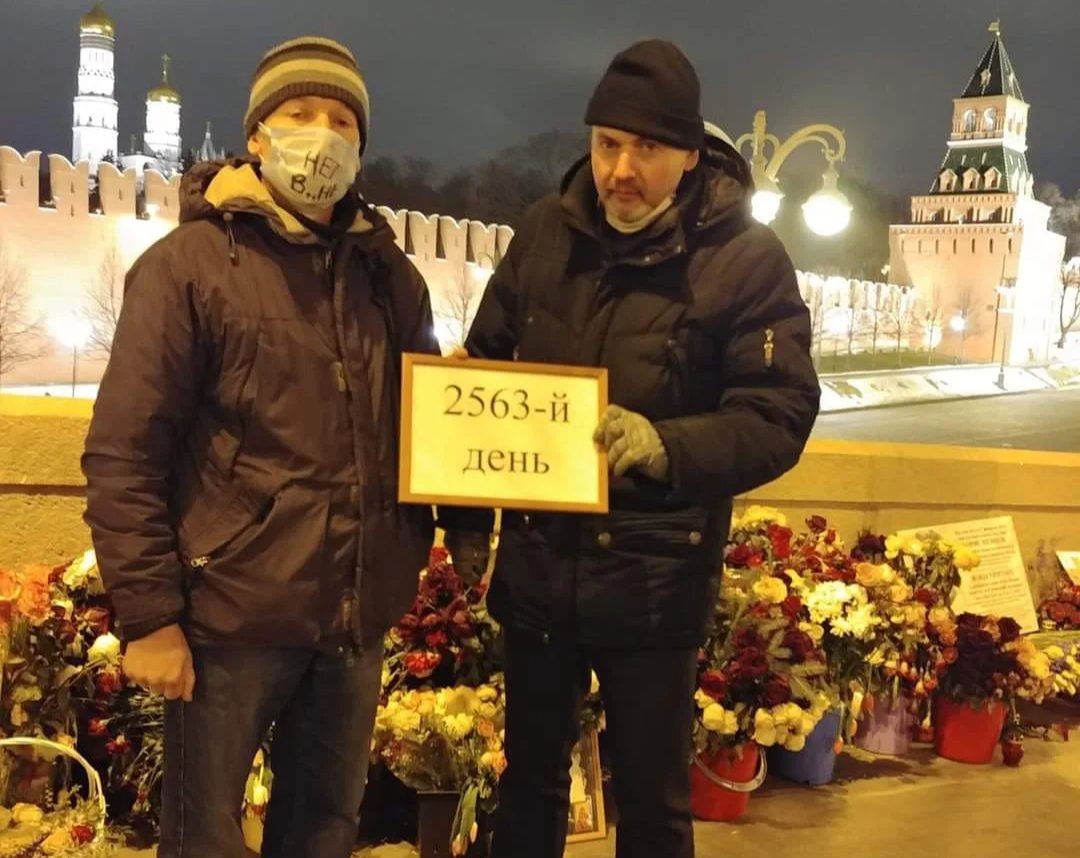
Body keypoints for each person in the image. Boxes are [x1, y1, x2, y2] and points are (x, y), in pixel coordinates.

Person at [441, 39, 820, 858]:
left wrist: (665, 445)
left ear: (689, 154)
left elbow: (779, 412)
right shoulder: (547, 231)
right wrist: (467, 515)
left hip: (655, 578)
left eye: (647, 149)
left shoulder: (744, 261)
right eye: (608, 143)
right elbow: (483, 378)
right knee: (530, 784)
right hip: (541, 572)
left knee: (651, 803)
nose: (622, 168)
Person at [81, 36, 440, 858]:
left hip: (351, 620)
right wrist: (151, 620)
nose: (321, 134)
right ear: (255, 135)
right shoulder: (188, 269)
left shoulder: (390, 278)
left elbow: (423, 427)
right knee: (202, 839)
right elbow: (124, 453)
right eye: (299, 113)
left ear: (361, 147)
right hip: (227, 622)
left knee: (323, 833)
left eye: (342, 120)